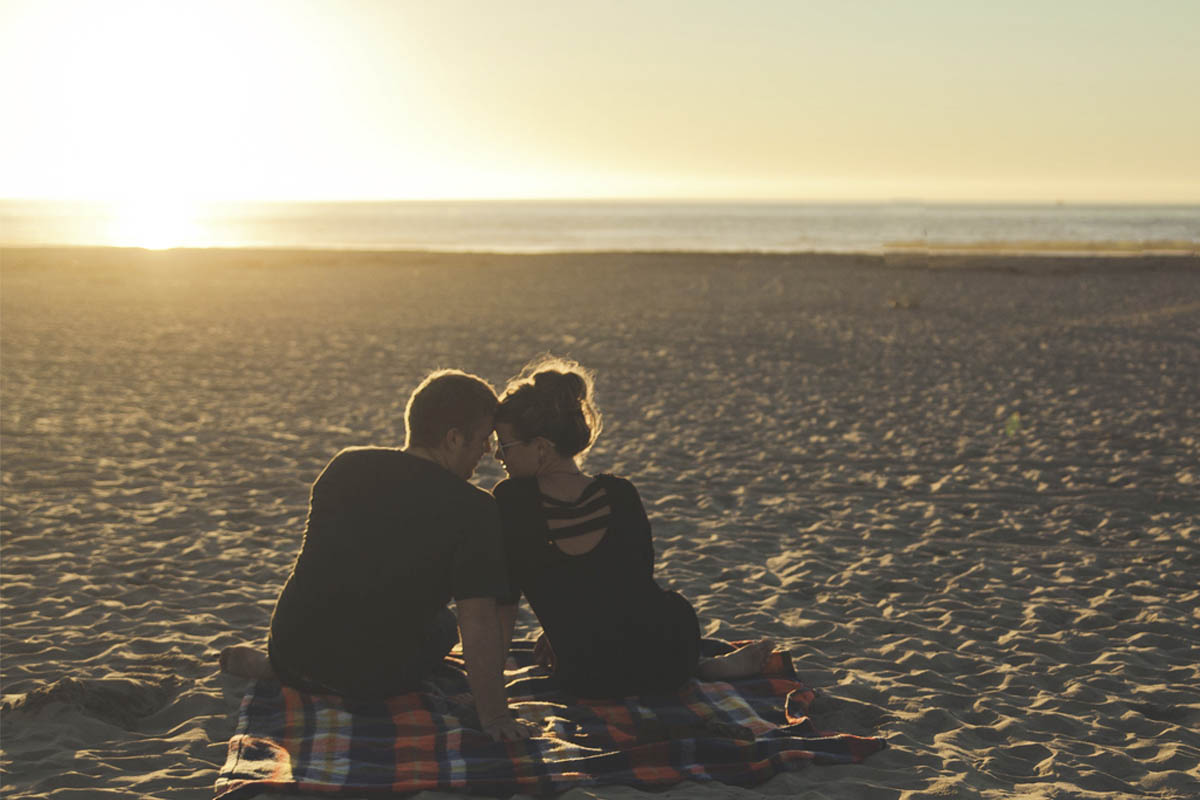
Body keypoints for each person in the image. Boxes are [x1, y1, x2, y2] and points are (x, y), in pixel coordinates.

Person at [220, 369, 532, 741]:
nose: (487, 452)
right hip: (368, 678)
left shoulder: (345, 465)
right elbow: (477, 622)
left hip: (290, 649)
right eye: (482, 440)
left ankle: (275, 671)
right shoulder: (474, 509)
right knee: (446, 625)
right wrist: (495, 716)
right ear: (452, 439)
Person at [491, 356, 773, 699]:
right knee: (668, 608)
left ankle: (702, 669)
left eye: (503, 445)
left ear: (540, 446)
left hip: (586, 673)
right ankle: (701, 668)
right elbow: (629, 587)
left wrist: (492, 686)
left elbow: (504, 603)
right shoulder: (620, 493)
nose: (497, 457)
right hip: (666, 658)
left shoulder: (511, 501)